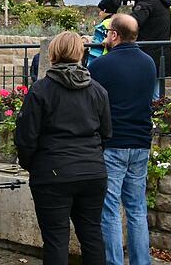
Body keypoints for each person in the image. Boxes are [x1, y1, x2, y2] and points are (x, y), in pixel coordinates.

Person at [15, 31, 112, 265]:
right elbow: (107, 133)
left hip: (53, 172)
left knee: (56, 240)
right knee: (92, 235)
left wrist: (33, 165)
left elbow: (26, 137)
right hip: (91, 170)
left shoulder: (41, 90)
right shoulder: (97, 90)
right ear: (80, 53)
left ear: (53, 54)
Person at [88, 14, 157, 265]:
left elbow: (91, 104)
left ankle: (114, 262)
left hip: (113, 142)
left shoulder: (100, 66)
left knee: (109, 209)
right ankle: (141, 261)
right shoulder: (149, 63)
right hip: (140, 142)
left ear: (115, 35)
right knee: (137, 207)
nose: (105, 37)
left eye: (108, 33)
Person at [129, 0, 171, 98]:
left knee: (150, 94)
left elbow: (133, 21)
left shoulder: (147, 0)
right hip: (161, 51)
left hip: (149, 51)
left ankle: (152, 116)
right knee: (157, 93)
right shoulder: (161, 0)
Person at [87, 0, 121, 65]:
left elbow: (96, 50)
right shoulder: (120, 23)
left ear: (105, 10)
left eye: (100, 10)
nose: (99, 13)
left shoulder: (103, 26)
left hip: (103, 61)